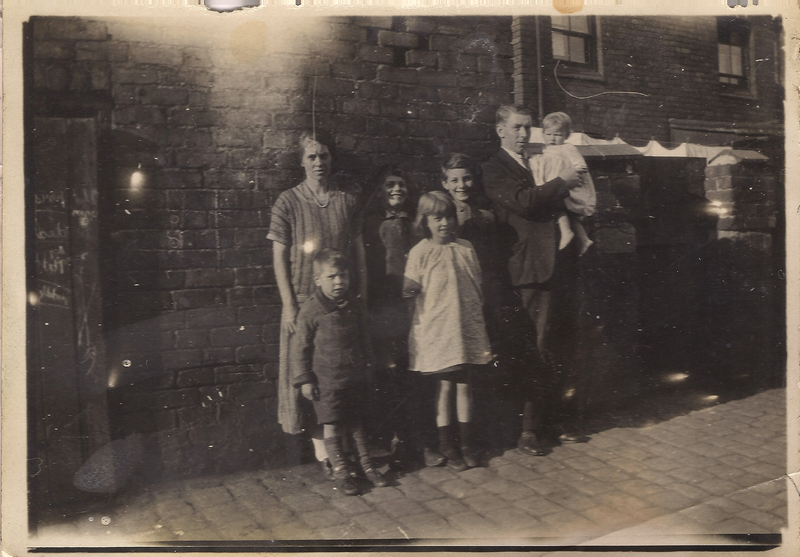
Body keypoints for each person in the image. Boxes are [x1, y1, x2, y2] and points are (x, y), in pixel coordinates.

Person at [481, 105, 586, 457]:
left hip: (557, 264)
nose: (524, 134)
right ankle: (527, 429)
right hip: (526, 270)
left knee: (557, 344)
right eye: (517, 128)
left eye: (528, 128)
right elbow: (523, 202)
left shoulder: (537, 161)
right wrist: (563, 182)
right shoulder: (493, 168)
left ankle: (552, 420)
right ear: (500, 130)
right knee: (532, 347)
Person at [267, 130, 368, 480]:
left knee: (339, 380)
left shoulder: (346, 201)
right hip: (303, 306)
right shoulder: (287, 202)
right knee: (308, 380)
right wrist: (289, 306)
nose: (318, 162)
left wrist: (362, 294)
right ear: (301, 161)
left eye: (324, 155)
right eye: (311, 156)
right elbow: (279, 257)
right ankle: (325, 455)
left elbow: (359, 253)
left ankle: (347, 452)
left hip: (341, 306)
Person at [403, 192, 492, 471]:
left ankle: (466, 443)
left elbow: (476, 286)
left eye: (449, 217)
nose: (445, 223)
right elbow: (409, 291)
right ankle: (446, 444)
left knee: (465, 385)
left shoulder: (465, 248)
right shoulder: (420, 252)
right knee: (445, 386)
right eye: (437, 218)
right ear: (425, 222)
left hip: (464, 327)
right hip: (439, 330)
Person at [292, 248, 388, 496]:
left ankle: (367, 467)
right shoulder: (311, 310)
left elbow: (364, 339)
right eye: (331, 277)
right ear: (317, 280)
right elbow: (300, 348)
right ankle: (342, 472)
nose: (338, 282)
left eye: (343, 276)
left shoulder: (354, 305)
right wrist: (305, 380)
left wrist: (369, 366)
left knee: (356, 423)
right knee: (332, 425)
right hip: (327, 382)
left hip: (354, 377)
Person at [361, 165, 436, 468]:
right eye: (389, 184)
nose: (396, 189)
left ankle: (419, 442)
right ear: (379, 190)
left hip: (414, 308)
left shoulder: (416, 223)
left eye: (401, 185)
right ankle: (392, 441)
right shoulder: (371, 223)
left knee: (415, 375)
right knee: (389, 376)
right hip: (384, 309)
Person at [440, 153, 504, 348]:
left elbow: (494, 256)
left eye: (466, 178)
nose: (461, 185)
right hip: (453, 287)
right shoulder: (442, 218)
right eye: (454, 180)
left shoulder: (486, 216)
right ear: (445, 184)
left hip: (484, 284)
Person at [531, 111, 596, 256]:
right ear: (543, 134)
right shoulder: (545, 150)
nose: (552, 138)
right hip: (555, 185)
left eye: (557, 135)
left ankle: (567, 232)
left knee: (561, 207)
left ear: (566, 135)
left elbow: (580, 165)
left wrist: (574, 171)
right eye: (548, 134)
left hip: (568, 185)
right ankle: (584, 239)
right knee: (566, 212)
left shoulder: (567, 148)